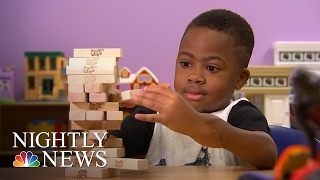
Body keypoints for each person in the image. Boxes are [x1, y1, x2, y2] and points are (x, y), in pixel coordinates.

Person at [110, 9, 277, 169]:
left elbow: (267, 154)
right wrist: (97, 117)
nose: (194, 76)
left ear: (240, 79)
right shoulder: (154, 113)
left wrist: (195, 125)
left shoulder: (240, 114)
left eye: (211, 68)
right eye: (186, 64)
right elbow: (107, 153)